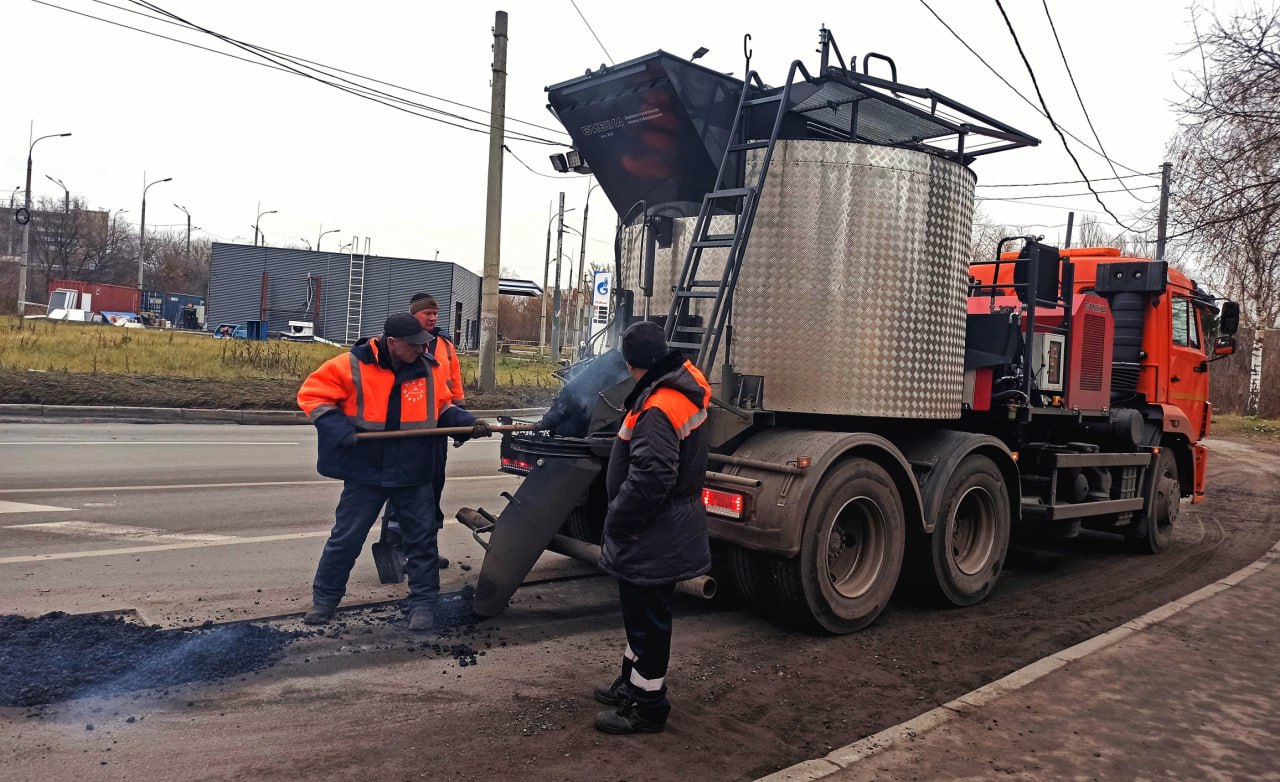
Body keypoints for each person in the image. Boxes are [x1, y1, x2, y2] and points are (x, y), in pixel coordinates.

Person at [297, 313, 489, 632]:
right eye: (413, 345)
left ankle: (423, 604)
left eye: (423, 344)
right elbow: (312, 395)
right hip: (366, 469)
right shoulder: (351, 364)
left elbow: (441, 408)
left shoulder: (427, 370)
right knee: (346, 538)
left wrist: (465, 422)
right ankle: (325, 600)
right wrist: (337, 427)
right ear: (392, 343)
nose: (421, 350)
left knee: (421, 540)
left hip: (412, 470)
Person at [593, 321, 712, 734]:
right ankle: (632, 683)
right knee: (641, 615)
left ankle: (647, 706)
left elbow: (652, 477)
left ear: (629, 362)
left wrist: (619, 521)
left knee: (648, 618)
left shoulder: (659, 406)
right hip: (663, 526)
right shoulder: (678, 388)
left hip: (652, 529)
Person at [380, 293, 464, 569]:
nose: (432, 318)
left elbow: (453, 387)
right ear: (412, 315)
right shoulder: (399, 343)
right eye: (427, 313)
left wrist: (461, 422)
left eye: (435, 314)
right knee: (403, 494)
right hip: (407, 433)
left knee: (432, 491)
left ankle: (426, 549)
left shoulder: (444, 345)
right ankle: (396, 550)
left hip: (436, 431)